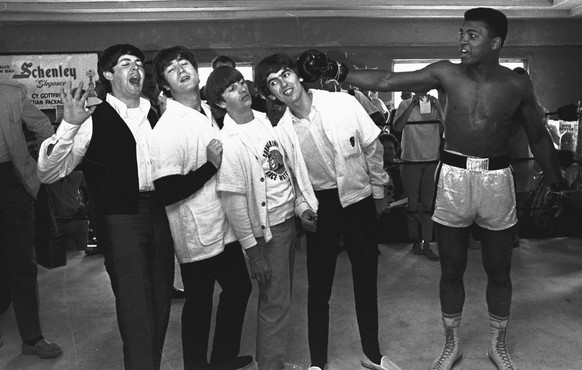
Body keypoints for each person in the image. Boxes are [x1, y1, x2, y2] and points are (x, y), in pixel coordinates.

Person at [296, 7, 567, 370]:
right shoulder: (446, 72)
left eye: (472, 35)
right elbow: (389, 80)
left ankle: (497, 345)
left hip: (496, 179)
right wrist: (338, 72)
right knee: (450, 269)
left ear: (496, 42)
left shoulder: (517, 84)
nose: (463, 40)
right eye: (461, 32)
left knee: (500, 270)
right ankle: (450, 343)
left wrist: (557, 183)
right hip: (454, 176)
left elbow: (537, 136)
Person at [255, 53, 399, 370]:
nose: (284, 84)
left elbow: (372, 147)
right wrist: (302, 207)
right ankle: (317, 363)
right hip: (321, 207)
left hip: (358, 199)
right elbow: (291, 182)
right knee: (318, 288)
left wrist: (378, 191)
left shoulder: (342, 103)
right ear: (270, 94)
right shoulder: (281, 132)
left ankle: (373, 355)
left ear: (297, 75)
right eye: (273, 83)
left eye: (286, 74)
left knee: (366, 279)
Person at [37, 44, 175, 370]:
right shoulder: (91, 115)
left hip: (161, 211)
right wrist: (68, 125)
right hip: (119, 217)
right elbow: (49, 171)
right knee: (135, 307)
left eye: (139, 63)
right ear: (108, 74)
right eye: (125, 63)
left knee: (159, 302)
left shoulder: (157, 111)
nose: (135, 68)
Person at [148, 46, 253, 370]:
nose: (181, 69)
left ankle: (222, 357)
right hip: (195, 229)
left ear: (197, 71)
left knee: (239, 287)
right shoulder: (167, 128)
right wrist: (210, 166)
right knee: (199, 302)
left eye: (185, 63)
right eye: (171, 68)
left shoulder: (210, 110)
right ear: (165, 84)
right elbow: (165, 191)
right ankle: (195, 365)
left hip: (224, 223)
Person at [206, 65, 309, 370]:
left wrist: (301, 208)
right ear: (221, 102)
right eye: (231, 88)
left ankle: (273, 361)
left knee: (280, 299)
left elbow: (288, 171)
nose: (241, 89)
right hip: (268, 232)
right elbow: (233, 203)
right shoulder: (230, 141)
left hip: (287, 220)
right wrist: (253, 253)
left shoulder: (266, 122)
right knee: (274, 302)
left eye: (241, 82)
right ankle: (272, 366)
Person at [0, 82, 62, 358]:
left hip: (12, 182)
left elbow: (44, 128)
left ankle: (32, 338)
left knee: (23, 262)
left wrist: (37, 161)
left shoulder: (12, 94)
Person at [392, 91, 443, 260]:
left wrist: (438, 107)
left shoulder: (436, 105)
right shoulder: (405, 104)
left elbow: (449, 128)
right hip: (410, 159)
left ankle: (427, 243)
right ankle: (415, 240)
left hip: (431, 159)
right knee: (412, 203)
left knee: (428, 204)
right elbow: (397, 127)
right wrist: (412, 105)